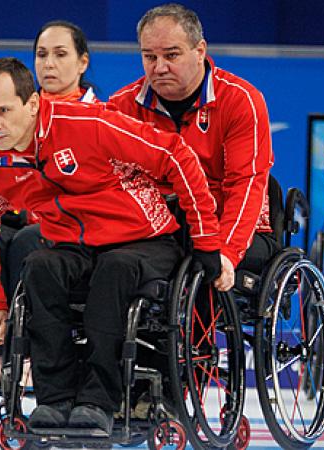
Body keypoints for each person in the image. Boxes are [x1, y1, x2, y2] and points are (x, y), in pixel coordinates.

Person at [0, 57, 224, 434]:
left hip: (144, 239)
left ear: (32, 103)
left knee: (113, 270)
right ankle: (55, 400)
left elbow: (175, 155)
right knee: (39, 266)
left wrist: (206, 241)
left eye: (4, 110)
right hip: (74, 246)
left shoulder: (87, 123)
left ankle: (100, 400)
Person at [0, 21, 98, 389]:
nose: (49, 64)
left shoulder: (96, 116)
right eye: (42, 55)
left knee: (30, 241)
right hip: (24, 218)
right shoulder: (10, 118)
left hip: (76, 230)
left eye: (61, 55)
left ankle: (29, 352)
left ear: (82, 63)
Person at [108, 3, 275, 301]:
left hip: (228, 226)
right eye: (149, 57)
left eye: (171, 55)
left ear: (199, 51)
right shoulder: (121, 106)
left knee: (198, 254)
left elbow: (246, 184)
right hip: (156, 230)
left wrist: (226, 251)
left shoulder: (241, 100)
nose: (159, 67)